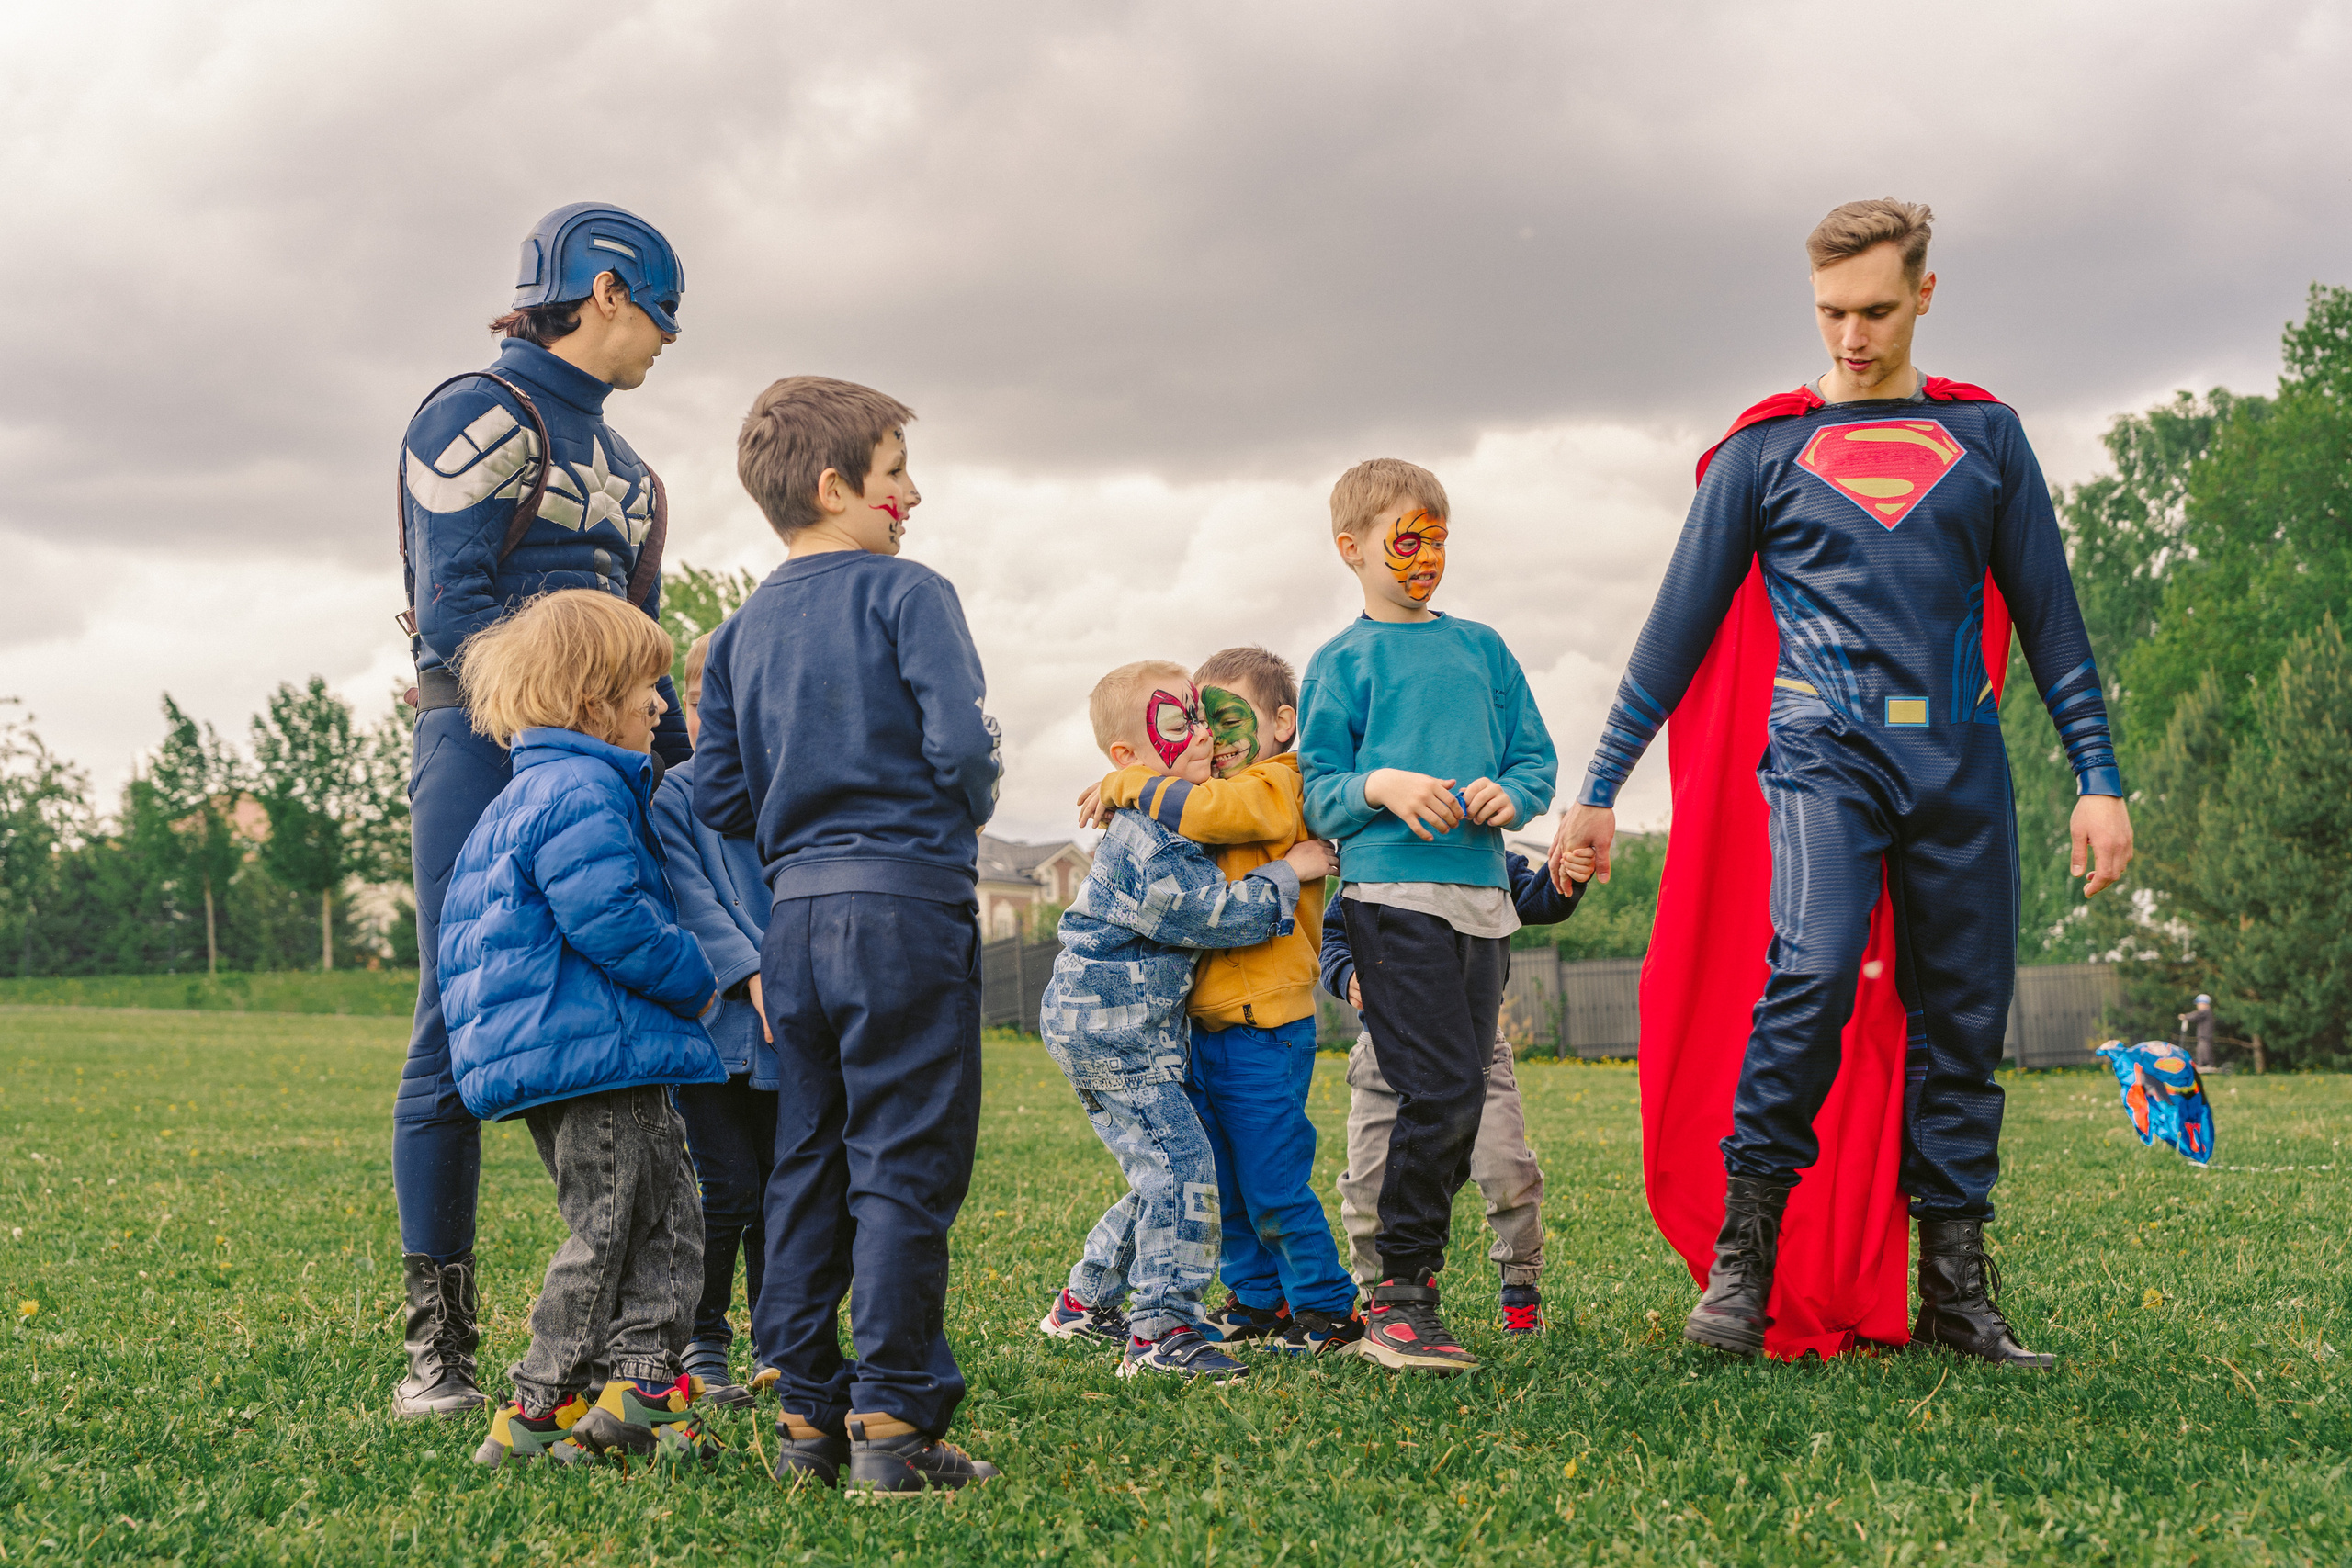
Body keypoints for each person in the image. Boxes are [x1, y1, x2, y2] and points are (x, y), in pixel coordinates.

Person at [1551, 199, 2133, 1370]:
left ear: (1924, 294)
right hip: (1820, 748)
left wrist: (2097, 778)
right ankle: (1745, 1261)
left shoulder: (1988, 439)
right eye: (1829, 312)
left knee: (1964, 1022)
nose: (1851, 334)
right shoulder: (1765, 449)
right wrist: (1600, 783)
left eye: (1874, 309)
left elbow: (2051, 624)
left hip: (1958, 752)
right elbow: (1675, 628)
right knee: (1809, 972)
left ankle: (1957, 1298)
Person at [391, 202, 693, 1419]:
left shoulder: (634, 471)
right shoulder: (475, 412)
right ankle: (440, 1347)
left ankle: (648, 1333)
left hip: (606, 762)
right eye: (665, 313)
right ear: (610, 290)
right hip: (479, 745)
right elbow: (449, 600)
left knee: (617, 1014)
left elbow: (646, 649)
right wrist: (548, 730)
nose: (671, 339)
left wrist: (662, 752)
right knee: (454, 1019)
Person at [694, 378, 1004, 1496]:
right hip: (905, 907)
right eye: (893, 474)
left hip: (795, 920)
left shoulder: (732, 636)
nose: (911, 496)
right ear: (836, 487)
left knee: (808, 1157)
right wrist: (954, 800)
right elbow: (962, 746)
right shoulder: (908, 594)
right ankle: (895, 1422)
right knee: (905, 1160)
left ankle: (808, 1420)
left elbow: (719, 799)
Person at [434, 590, 727, 1468]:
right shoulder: (580, 791)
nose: (663, 705)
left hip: (583, 1053)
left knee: (665, 1223)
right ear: (594, 698)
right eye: (649, 686)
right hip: (599, 1058)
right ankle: (537, 1401)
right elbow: (612, 920)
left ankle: (642, 1396)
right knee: (608, 1229)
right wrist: (694, 976)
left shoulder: (529, 793)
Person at [1297, 458, 1559, 1374]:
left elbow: (1534, 761)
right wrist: (1383, 783)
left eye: (1438, 540)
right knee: (1441, 1087)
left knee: (1449, 1098)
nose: (1425, 559)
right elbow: (1319, 796)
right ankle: (1398, 1299)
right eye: (1406, 541)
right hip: (1388, 901)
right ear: (1353, 549)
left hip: (1483, 907)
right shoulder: (1340, 663)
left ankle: (1411, 1285)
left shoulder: (1484, 650)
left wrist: (1509, 797)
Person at [1036, 660, 1330, 1382]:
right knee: (1183, 1168)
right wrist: (1294, 868)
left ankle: (1085, 1300)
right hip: (1110, 1029)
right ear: (1127, 759)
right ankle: (1161, 1330)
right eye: (1180, 723)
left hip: (1121, 1026)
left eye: (1202, 717)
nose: (1202, 734)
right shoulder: (1149, 835)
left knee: (1161, 1168)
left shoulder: (1162, 815)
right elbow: (1217, 915)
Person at [1321, 848, 1589, 1333]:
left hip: (1476, 1049)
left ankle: (1521, 1289)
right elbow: (1334, 938)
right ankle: (1381, 1297)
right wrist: (1346, 975)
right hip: (1384, 1052)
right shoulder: (1370, 862)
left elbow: (1541, 899)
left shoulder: (1488, 860)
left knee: (1509, 1172)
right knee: (1366, 1191)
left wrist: (1567, 872)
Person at [649, 632, 777, 1408]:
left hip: (791, 1037)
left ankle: (782, 1338)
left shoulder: (794, 793)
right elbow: (690, 897)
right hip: (712, 1036)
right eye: (701, 704)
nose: (714, 719)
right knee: (726, 1189)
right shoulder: (675, 794)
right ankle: (704, 1338)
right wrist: (753, 967)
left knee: (786, 1190)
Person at [2180, 994, 2216, 1070]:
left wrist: (2185, 1016)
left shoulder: (2206, 1012)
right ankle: (2201, 1064)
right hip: (2202, 1036)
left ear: (2204, 1004)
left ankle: (2209, 1065)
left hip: (2205, 1036)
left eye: (2199, 1004)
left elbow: (2196, 1015)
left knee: (2205, 1050)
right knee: (2200, 1050)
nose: (2197, 1006)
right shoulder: (2205, 1012)